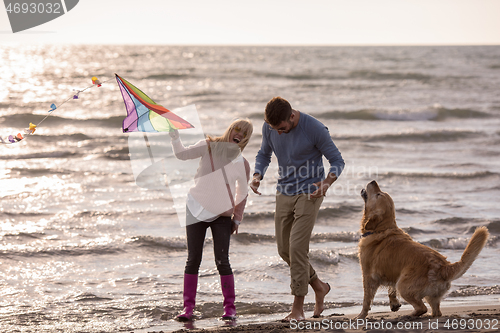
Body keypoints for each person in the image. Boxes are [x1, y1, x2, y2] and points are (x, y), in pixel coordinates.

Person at [251, 97, 345, 321]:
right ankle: (319, 286)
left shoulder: (314, 129)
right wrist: (257, 174)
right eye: (275, 129)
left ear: (291, 116)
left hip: (310, 191)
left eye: (282, 128)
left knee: (297, 249)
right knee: (284, 250)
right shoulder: (270, 127)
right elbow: (264, 154)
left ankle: (297, 309)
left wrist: (326, 184)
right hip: (284, 190)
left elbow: (337, 161)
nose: (279, 133)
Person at [170, 119, 253, 322]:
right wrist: (175, 137)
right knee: (193, 260)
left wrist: (237, 219)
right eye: (238, 130)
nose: (240, 135)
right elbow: (182, 154)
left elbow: (242, 193)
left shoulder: (242, 164)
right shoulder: (208, 146)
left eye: (245, 134)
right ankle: (188, 309)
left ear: (246, 140)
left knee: (222, 261)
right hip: (195, 208)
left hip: (222, 215)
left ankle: (230, 309)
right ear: (230, 130)